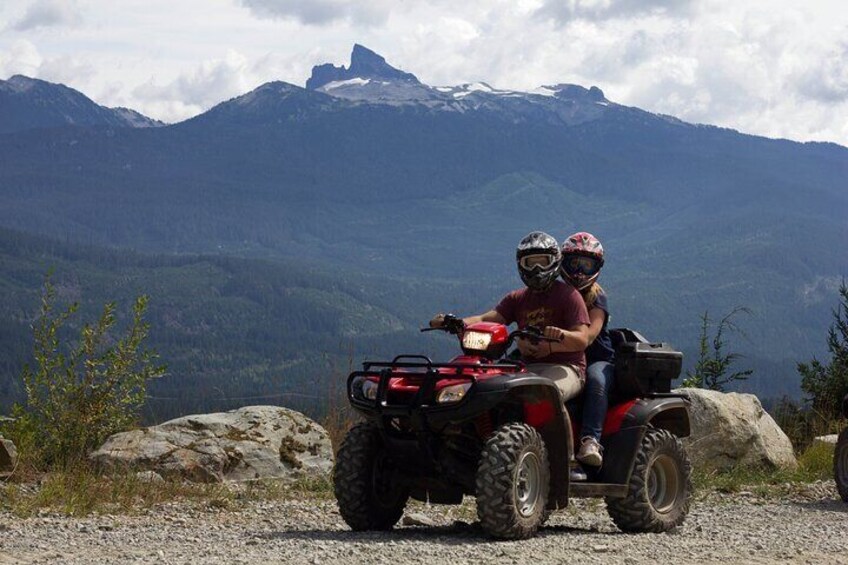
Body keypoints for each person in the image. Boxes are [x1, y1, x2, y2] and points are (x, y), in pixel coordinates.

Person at [430, 231, 590, 403]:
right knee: (487, 392)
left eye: (543, 262)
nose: (537, 269)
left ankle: (560, 431)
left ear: (555, 262)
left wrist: (558, 339)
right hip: (525, 366)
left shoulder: (569, 295)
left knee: (547, 394)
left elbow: (582, 339)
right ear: (521, 266)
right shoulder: (517, 298)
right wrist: (457, 322)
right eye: (530, 263)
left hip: (567, 367)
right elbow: (487, 319)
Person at [560, 232, 614, 469]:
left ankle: (590, 440)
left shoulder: (597, 297)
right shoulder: (556, 294)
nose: (580, 271)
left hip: (596, 358)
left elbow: (590, 336)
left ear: (597, 267)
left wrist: (557, 339)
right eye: (574, 263)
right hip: (562, 355)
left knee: (596, 382)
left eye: (587, 264)